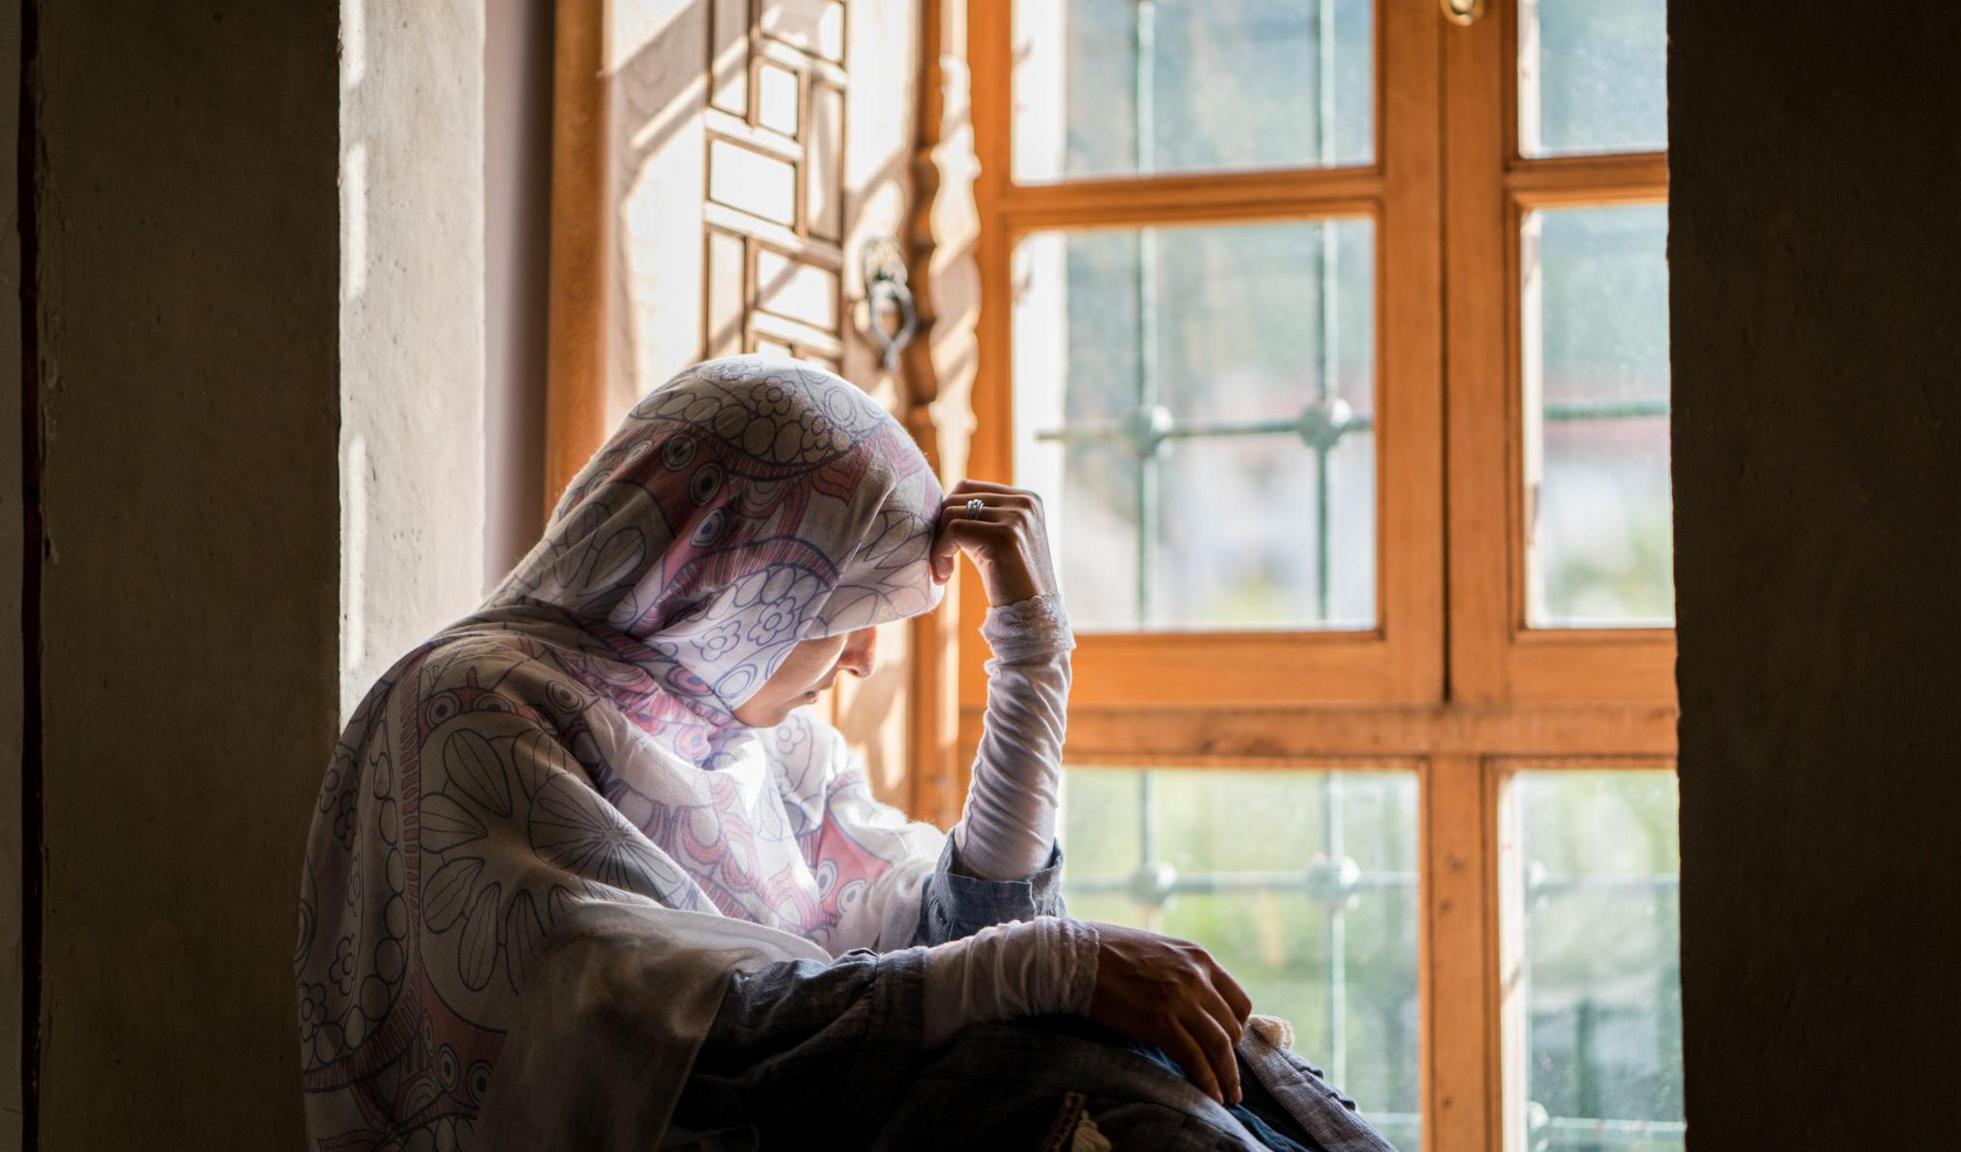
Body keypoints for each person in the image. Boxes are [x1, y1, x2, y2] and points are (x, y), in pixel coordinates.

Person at [297, 357, 1394, 1151]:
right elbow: (662, 1046)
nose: (864, 660)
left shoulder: (759, 748)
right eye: (843, 607)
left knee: (1206, 1046)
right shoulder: (476, 708)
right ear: (722, 570)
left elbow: (968, 942)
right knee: (1059, 1080)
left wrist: (1030, 660)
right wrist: (1048, 970)